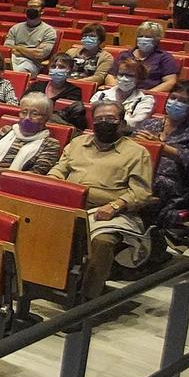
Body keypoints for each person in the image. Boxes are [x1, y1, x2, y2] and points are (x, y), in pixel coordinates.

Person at [49, 97, 156, 299]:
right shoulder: (78, 143)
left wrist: (115, 206)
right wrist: (52, 184)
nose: (104, 123)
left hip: (111, 211)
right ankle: (44, 285)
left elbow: (141, 192)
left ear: (122, 123)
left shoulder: (137, 153)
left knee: (102, 241)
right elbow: (58, 170)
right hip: (71, 204)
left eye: (110, 119)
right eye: (99, 119)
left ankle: (87, 299)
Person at [138, 81, 189, 222]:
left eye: (183, 101)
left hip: (175, 183)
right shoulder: (150, 123)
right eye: (173, 98)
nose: (175, 103)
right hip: (142, 172)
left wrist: (160, 147)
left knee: (152, 183)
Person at [0, 92, 62, 176]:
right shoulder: (6, 130)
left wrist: (1, 175)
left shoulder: (51, 144)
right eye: (24, 112)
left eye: (34, 114)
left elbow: (37, 173)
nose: (27, 118)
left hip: (15, 185)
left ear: (46, 118)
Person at [113, 20, 179, 95]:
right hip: (121, 93)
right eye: (140, 36)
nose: (143, 39)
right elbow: (111, 76)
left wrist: (146, 94)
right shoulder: (124, 55)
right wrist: (119, 91)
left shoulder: (165, 58)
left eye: (148, 37)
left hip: (148, 95)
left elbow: (170, 82)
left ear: (157, 39)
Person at [27, 52, 88, 129]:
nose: (56, 70)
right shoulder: (37, 86)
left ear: (69, 70)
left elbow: (65, 116)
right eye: (53, 66)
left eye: (61, 67)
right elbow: (24, 103)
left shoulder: (74, 91)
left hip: (57, 127)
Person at [92, 57, 156, 127]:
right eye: (121, 74)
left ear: (139, 78)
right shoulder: (101, 95)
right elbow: (92, 118)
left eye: (130, 75)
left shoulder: (145, 100)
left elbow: (134, 123)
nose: (124, 79)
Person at [4, 0, 59, 75]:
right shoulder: (15, 28)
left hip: (32, 64)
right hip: (12, 59)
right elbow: (7, 48)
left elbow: (39, 54)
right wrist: (31, 51)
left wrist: (17, 47)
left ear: (42, 11)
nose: (31, 9)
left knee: (17, 73)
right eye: (29, 7)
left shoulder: (49, 31)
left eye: (35, 7)